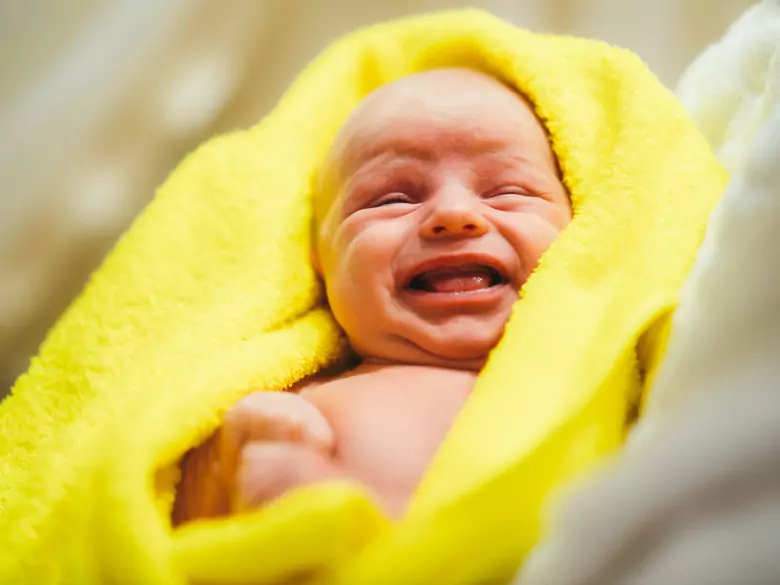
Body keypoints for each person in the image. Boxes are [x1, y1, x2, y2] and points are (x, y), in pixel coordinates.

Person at [172, 67, 572, 523]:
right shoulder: (301, 405)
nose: (455, 212)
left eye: (508, 191)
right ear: (321, 260)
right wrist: (250, 460)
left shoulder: (603, 377)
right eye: (391, 199)